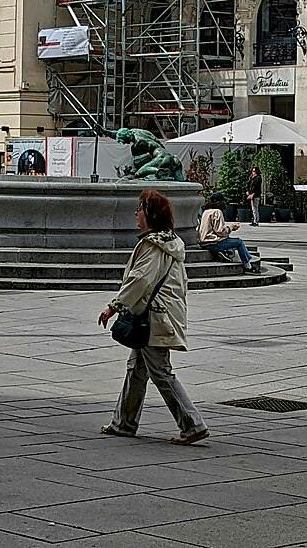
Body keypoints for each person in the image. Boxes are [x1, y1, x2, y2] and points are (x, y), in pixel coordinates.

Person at [99, 189, 209, 446]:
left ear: (149, 214)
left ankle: (193, 424)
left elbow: (140, 280)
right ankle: (123, 423)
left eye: (139, 209)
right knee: (136, 369)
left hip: (153, 318)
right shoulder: (169, 243)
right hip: (159, 316)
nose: (135, 214)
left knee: (160, 371)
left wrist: (113, 306)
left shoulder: (152, 246)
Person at [196, 193, 260, 272]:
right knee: (239, 242)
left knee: (229, 240)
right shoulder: (217, 212)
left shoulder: (205, 212)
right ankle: (247, 265)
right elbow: (220, 231)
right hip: (213, 243)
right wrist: (231, 227)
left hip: (203, 242)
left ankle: (224, 252)